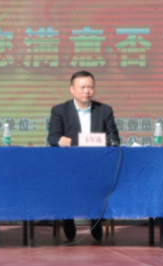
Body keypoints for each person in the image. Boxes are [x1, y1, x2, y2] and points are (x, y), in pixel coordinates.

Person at [47, 70, 120, 242]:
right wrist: (59, 140)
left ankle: (96, 220)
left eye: (90, 87)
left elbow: (114, 139)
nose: (87, 91)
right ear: (72, 89)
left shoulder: (104, 110)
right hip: (69, 165)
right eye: (83, 87)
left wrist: (100, 142)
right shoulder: (60, 110)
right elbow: (52, 138)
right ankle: (68, 219)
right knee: (65, 182)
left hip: (97, 164)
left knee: (103, 181)